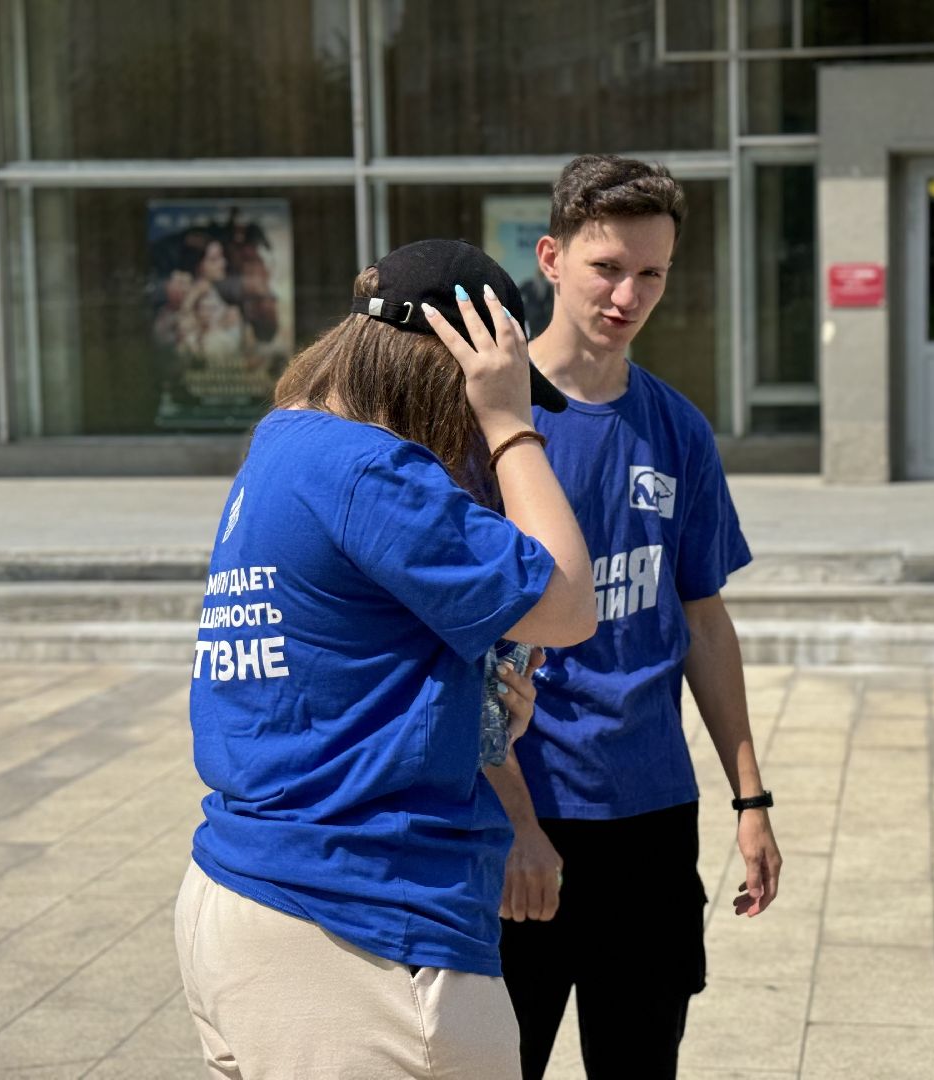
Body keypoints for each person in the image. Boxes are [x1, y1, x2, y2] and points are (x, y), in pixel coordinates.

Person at [174, 238, 597, 1079]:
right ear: (450, 370)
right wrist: (511, 425)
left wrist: (469, 709)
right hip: (357, 919)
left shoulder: (285, 445)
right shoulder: (371, 470)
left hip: (245, 891)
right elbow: (570, 605)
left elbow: (334, 665)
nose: (472, 435)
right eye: (473, 401)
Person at [486, 154, 783, 1080]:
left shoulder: (678, 428)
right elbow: (446, 646)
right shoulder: (486, 422)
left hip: (650, 814)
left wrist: (751, 798)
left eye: (651, 272)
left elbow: (703, 619)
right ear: (552, 257)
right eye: (608, 266)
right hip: (518, 811)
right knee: (498, 1063)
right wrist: (515, 822)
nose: (628, 293)